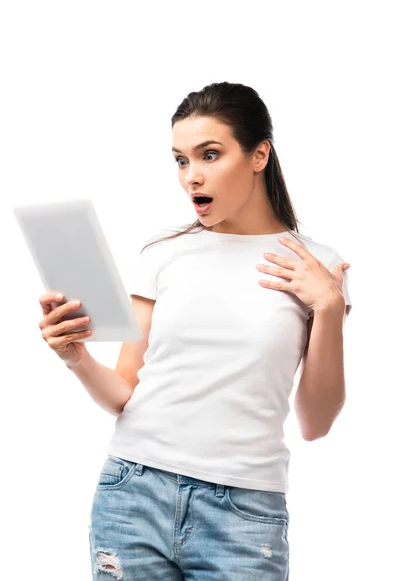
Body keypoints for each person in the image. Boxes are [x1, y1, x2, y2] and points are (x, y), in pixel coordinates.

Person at [38, 81, 352, 580]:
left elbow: (316, 423)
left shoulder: (318, 266)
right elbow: (125, 392)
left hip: (244, 513)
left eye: (210, 155)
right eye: (181, 160)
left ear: (259, 155)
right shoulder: (163, 252)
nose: (192, 177)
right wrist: (76, 356)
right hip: (132, 492)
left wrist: (330, 308)